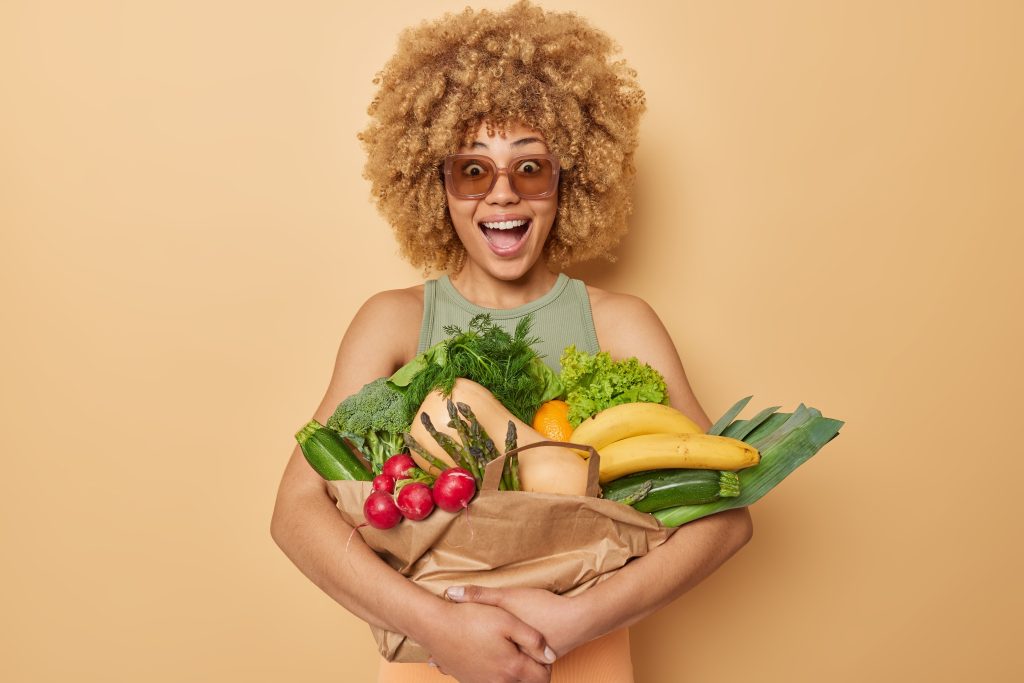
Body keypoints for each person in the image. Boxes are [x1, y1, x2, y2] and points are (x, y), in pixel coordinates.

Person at [270, 3, 752, 682]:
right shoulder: (392, 322)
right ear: (435, 182)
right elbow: (295, 512)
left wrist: (578, 619)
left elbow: (726, 516)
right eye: (473, 170)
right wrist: (436, 623)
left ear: (571, 180)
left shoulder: (620, 325)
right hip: (432, 665)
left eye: (530, 169)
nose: (503, 195)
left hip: (586, 661)